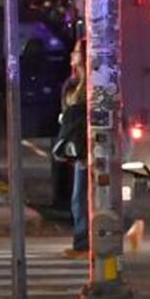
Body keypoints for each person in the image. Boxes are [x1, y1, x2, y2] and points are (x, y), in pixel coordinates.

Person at [57, 39, 88, 259]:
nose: (72, 55)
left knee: (81, 197)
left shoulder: (94, 82)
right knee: (81, 196)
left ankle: (82, 242)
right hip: (79, 148)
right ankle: (83, 240)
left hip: (90, 147)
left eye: (76, 52)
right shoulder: (72, 83)